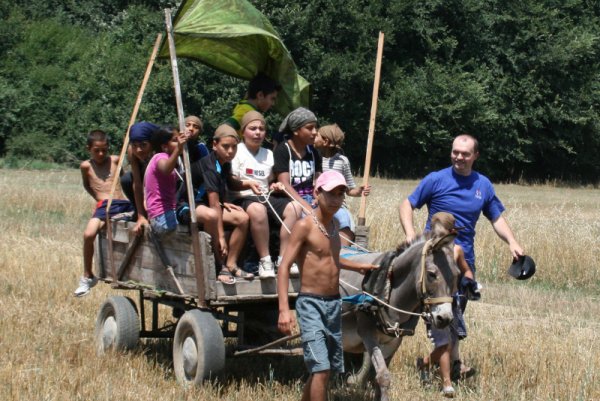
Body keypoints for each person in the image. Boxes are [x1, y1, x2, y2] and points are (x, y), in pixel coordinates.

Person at [399, 133, 525, 379]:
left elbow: (496, 217)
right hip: (434, 260)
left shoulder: (483, 185)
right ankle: (450, 366)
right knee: (443, 316)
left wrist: (512, 242)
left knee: (456, 314)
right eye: (455, 152)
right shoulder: (436, 179)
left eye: (465, 153)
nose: (459, 157)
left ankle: (435, 364)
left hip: (463, 261)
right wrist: (410, 234)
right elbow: (407, 204)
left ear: (475, 155)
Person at [277, 170, 378, 401]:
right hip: (311, 304)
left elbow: (331, 258)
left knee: (323, 368)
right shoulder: (305, 226)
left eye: (341, 194)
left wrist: (358, 267)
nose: (336, 199)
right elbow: (284, 267)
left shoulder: (333, 227)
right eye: (331, 193)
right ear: (317, 193)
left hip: (334, 305)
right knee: (321, 368)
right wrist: (284, 309)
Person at [181, 124, 261, 284]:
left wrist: (249, 183)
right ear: (214, 145)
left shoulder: (224, 162)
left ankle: (231, 263)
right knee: (211, 216)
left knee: (243, 218)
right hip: (188, 205)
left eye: (234, 147)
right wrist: (221, 238)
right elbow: (214, 205)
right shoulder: (209, 166)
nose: (230, 151)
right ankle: (219, 266)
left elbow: (230, 182)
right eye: (225, 147)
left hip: (208, 205)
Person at [230, 111, 302, 278]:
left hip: (266, 196)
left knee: (295, 208)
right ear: (243, 132)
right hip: (243, 197)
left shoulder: (268, 154)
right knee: (257, 210)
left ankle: (285, 259)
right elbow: (231, 180)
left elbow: (270, 181)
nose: (257, 133)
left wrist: (274, 185)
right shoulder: (237, 151)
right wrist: (248, 183)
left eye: (261, 129)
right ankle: (265, 261)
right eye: (253, 128)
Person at [416, 212, 477, 398]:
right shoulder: (427, 251)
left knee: (451, 341)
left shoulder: (457, 250)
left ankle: (425, 363)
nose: (437, 239)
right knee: (444, 342)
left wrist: (469, 281)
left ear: (451, 233)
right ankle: (447, 383)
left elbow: (466, 270)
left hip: (452, 301)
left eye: (442, 235)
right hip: (435, 303)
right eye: (435, 235)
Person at [75, 130, 133, 297]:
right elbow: (87, 185)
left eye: (104, 150)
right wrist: (99, 199)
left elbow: (125, 181)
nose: (101, 154)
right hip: (104, 206)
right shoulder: (86, 166)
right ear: (89, 149)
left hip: (123, 204)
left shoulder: (115, 160)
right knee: (88, 234)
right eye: (96, 150)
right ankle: (87, 276)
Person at [315, 124, 371, 246]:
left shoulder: (342, 161)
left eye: (317, 135)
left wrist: (359, 191)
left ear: (325, 141)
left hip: (337, 206)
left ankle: (342, 251)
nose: (314, 135)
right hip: (317, 203)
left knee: (343, 219)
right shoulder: (313, 157)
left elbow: (349, 190)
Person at [144, 126, 188, 237]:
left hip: (167, 212)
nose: (178, 142)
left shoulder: (172, 159)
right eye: (175, 140)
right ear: (164, 147)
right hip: (162, 215)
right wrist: (178, 149)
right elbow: (166, 169)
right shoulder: (159, 157)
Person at [120, 121, 159, 235]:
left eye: (143, 145)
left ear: (152, 143)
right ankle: (139, 212)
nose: (139, 150)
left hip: (162, 183)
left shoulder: (160, 151)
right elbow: (137, 183)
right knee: (126, 179)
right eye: (135, 145)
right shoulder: (132, 152)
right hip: (143, 179)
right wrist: (141, 215)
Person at [225, 72, 281, 137]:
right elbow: (227, 125)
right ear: (260, 95)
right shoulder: (247, 110)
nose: (273, 104)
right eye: (272, 99)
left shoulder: (244, 104)